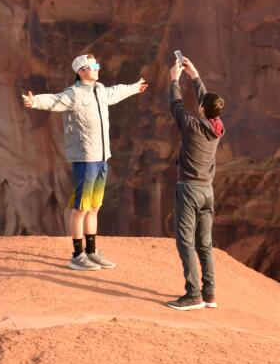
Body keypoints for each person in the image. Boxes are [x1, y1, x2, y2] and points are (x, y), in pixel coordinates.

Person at [21, 53, 148, 270]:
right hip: (86, 158)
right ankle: (77, 255)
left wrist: (135, 87)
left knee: (94, 207)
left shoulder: (99, 90)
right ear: (80, 71)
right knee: (80, 207)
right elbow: (54, 100)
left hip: (101, 157)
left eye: (97, 64)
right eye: (92, 66)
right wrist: (34, 102)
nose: (97, 68)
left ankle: (91, 251)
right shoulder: (74, 94)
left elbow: (115, 92)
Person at [165, 56, 227, 311]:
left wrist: (174, 79)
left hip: (189, 190)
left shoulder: (190, 125)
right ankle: (209, 294)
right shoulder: (218, 127)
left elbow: (175, 104)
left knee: (185, 242)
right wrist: (196, 77)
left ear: (202, 109)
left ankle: (193, 294)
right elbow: (206, 104)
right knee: (205, 243)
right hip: (207, 192)